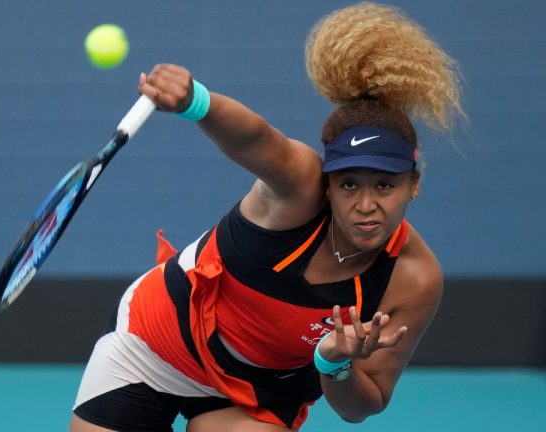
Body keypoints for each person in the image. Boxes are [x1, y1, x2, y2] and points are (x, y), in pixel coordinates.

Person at [70, 2, 464, 431]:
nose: (366, 204)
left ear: (414, 185)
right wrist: (194, 101)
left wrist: (332, 363)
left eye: (385, 186)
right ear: (328, 182)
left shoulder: (413, 277)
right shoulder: (299, 187)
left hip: (257, 395)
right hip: (156, 342)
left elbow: (360, 407)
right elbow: (259, 139)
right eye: (349, 184)